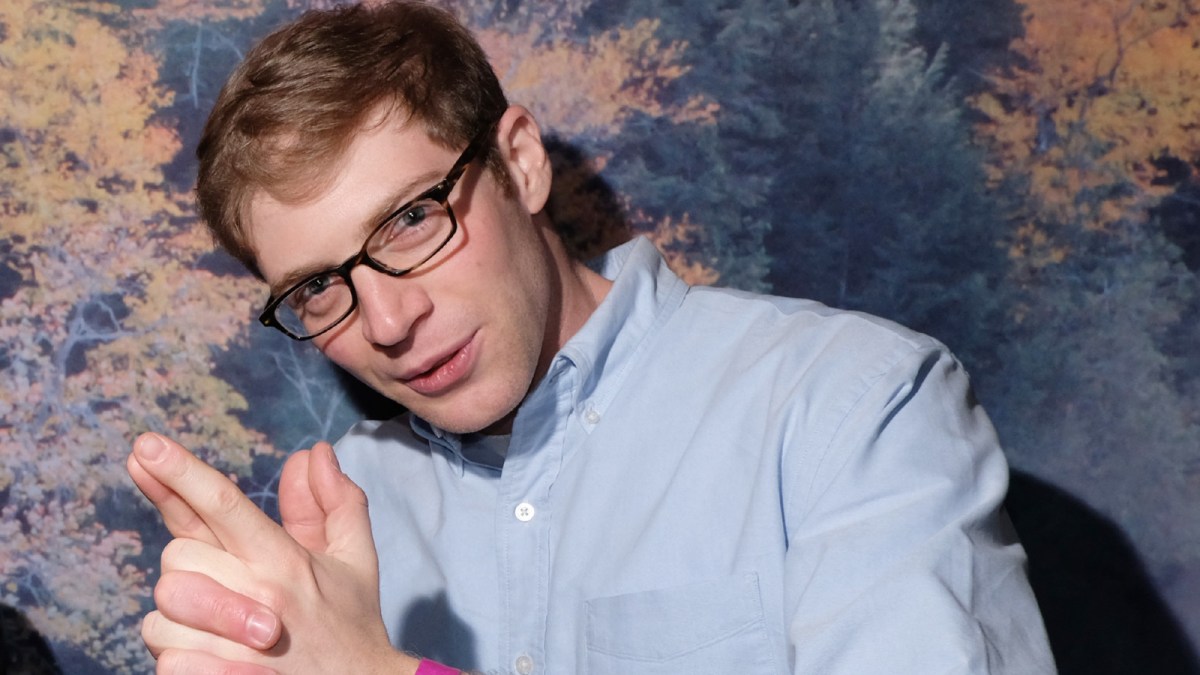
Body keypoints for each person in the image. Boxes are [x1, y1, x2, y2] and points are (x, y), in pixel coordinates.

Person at [126, 2, 1057, 674]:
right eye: (320, 287)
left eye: (411, 220)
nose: (388, 322)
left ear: (519, 163)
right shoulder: (341, 517)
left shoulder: (847, 407)